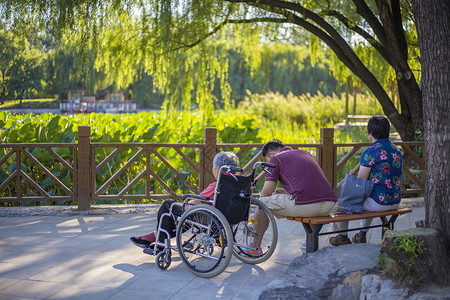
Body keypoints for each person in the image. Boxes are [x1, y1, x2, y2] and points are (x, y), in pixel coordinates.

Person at [130, 151, 238, 250]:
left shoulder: (217, 186)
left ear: (218, 169)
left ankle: (159, 242)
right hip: (227, 217)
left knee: (168, 206)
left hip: (208, 218)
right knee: (181, 219)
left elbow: (197, 201)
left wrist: (185, 205)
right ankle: (151, 238)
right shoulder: (238, 185)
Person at [251, 139, 338, 253]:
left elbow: (266, 194)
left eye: (267, 159)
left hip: (309, 207)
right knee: (306, 202)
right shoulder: (304, 153)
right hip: (331, 205)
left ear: (271, 154)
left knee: (261, 204)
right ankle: (309, 242)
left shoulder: (275, 158)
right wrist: (288, 193)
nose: (269, 161)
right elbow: (310, 185)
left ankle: (254, 248)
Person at [329, 115, 402, 246]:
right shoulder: (396, 149)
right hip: (395, 200)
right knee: (366, 197)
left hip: (379, 203)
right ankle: (361, 235)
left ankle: (342, 237)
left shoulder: (371, 151)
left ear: (371, 133)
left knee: (344, 202)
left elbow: (361, 180)